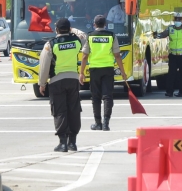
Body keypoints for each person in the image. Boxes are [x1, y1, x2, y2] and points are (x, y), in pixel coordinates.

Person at [38, 18, 86, 152]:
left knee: (60, 111)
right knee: (74, 110)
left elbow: (44, 65)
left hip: (56, 81)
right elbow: (84, 36)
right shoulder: (77, 41)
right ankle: (73, 143)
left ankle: (63, 143)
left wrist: (42, 84)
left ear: (57, 29)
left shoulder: (51, 44)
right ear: (69, 29)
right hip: (73, 80)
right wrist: (72, 30)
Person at [79, 15, 127, 131]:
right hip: (108, 69)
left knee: (95, 97)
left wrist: (81, 73)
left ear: (94, 25)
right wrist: (123, 72)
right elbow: (117, 55)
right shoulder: (111, 36)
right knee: (107, 96)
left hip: (95, 69)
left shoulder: (90, 36)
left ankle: (98, 123)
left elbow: (85, 56)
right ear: (105, 24)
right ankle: (106, 123)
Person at [155, 12, 182, 97]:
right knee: (171, 74)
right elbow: (162, 35)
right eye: (176, 19)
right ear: (173, 20)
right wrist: (155, 35)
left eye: (179, 19)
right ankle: (169, 92)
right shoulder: (170, 29)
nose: (177, 21)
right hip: (173, 55)